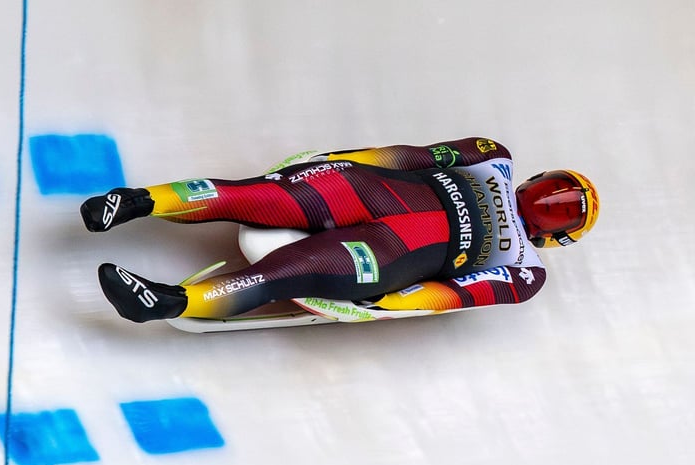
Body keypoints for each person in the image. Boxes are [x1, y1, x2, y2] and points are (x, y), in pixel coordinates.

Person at [80, 137, 599, 324]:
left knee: (290, 271)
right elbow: (412, 157)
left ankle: (168, 301)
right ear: (535, 178)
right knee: (258, 195)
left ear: (560, 236)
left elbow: (454, 295)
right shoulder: (492, 158)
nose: (547, 205)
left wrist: (383, 306)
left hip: (391, 248)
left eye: (560, 210)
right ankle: (138, 202)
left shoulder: (526, 274)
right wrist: (338, 160)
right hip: (371, 190)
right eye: (553, 192)